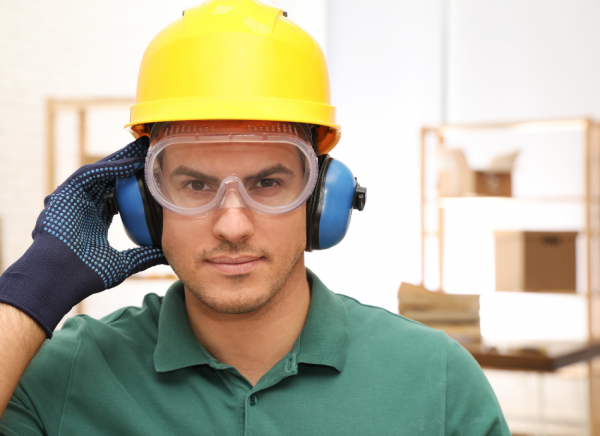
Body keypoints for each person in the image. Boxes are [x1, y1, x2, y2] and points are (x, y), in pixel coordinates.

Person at [0, 0, 510, 434]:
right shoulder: (64, 373)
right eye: (195, 185)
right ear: (146, 203)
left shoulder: (436, 379)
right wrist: (36, 286)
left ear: (321, 201)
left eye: (268, 183)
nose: (233, 226)